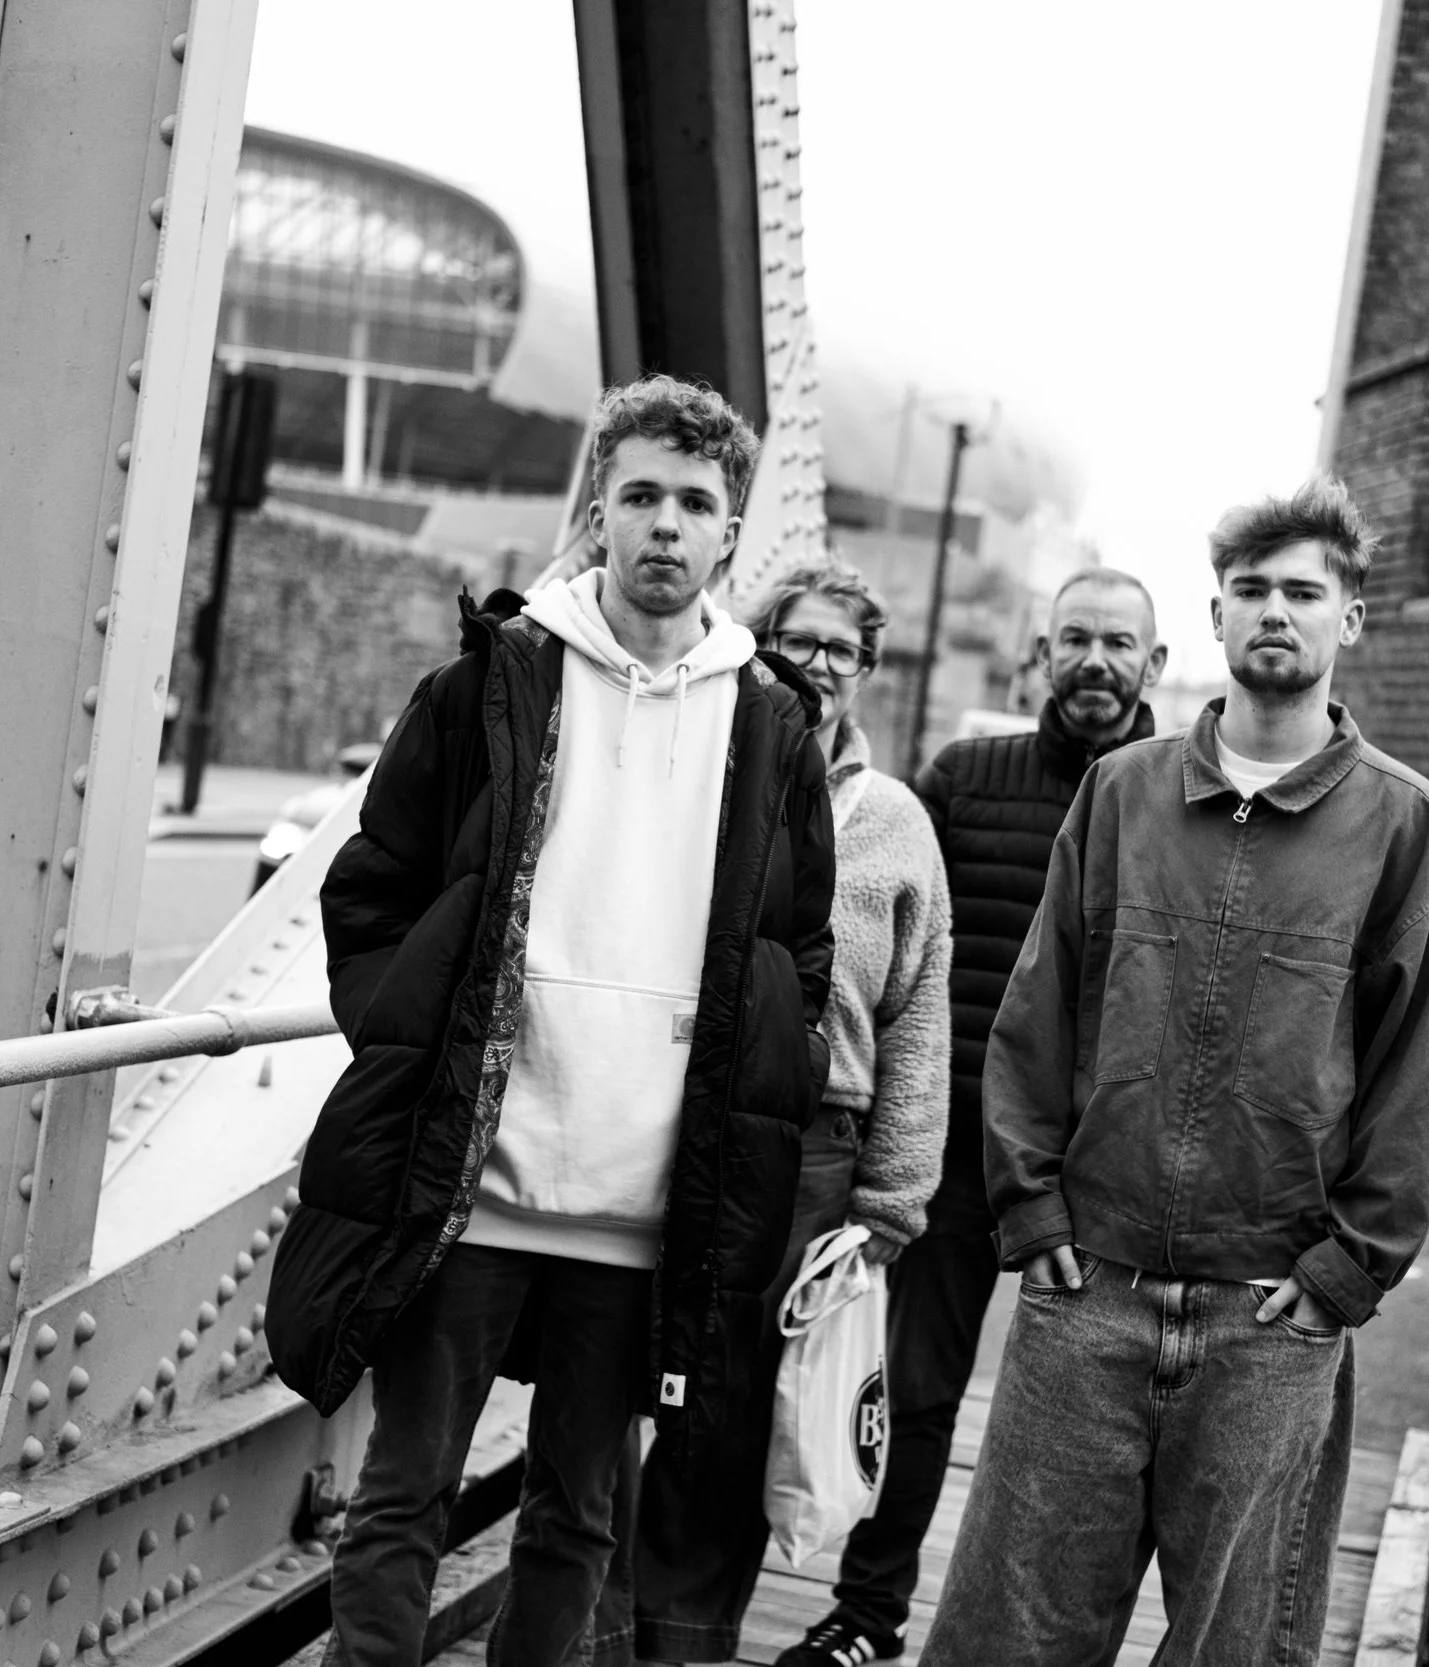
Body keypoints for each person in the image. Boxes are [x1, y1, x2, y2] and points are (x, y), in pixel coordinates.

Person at [264, 375, 836, 1667]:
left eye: (696, 503)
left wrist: (766, 1060)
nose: (666, 526)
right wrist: (411, 1037)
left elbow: (797, 946)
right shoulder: (492, 683)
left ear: (730, 535)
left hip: (646, 1209)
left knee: (578, 1513)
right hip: (475, 1176)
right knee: (404, 1490)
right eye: (640, 495)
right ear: (597, 509)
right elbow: (372, 888)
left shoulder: (772, 722)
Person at [919, 477, 1429, 1667]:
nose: (1276, 610)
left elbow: (1410, 1065)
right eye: (1252, 590)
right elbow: (1039, 1007)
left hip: (1270, 1314)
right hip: (1086, 1293)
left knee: (1237, 1647)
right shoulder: (1123, 792)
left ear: (1348, 621)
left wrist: (1344, 1271)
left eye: (1303, 592)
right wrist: (1029, 1202)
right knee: (1007, 1637)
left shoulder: (1402, 823)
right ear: (1215, 617)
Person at [776, 565, 1166, 1667]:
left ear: (1155, 663)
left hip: (1097, 1165)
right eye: (1074, 638)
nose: (1095, 660)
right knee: (915, 1388)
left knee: (1079, 1424)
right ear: (1039, 656)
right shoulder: (962, 778)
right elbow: (900, 956)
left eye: (1117, 642)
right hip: (954, 1144)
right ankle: (866, 1616)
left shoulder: (1175, 795)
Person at [622, 558, 953, 1663]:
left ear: (865, 672)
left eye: (842, 650)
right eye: (797, 641)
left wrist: (893, 1198)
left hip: (814, 1147)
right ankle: (582, 1620)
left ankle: (682, 1643)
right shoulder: (688, 775)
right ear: (754, 644)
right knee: (607, 1371)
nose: (818, 666)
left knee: (735, 1413)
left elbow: (916, 1015)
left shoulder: (894, 822)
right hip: (659, 1113)